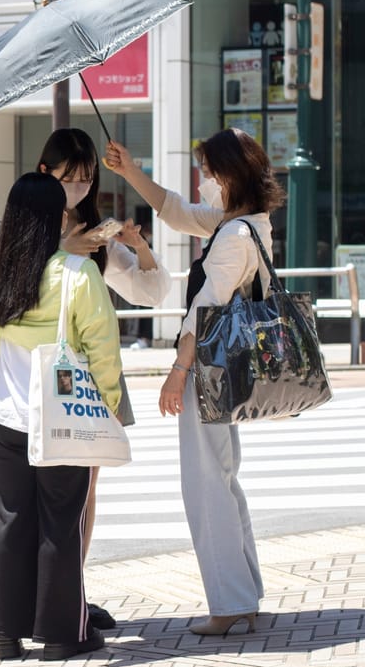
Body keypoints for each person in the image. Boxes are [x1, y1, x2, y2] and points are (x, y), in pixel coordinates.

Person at [106, 128, 283, 636]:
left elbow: (205, 309)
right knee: (223, 480)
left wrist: (176, 371)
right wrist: (131, 171)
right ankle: (243, 595)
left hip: (208, 367)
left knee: (206, 485)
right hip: (228, 369)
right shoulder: (245, 223)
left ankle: (229, 605)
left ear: (230, 174)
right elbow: (176, 210)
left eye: (209, 172)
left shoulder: (232, 235)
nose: (203, 180)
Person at [0, 172, 122, 661]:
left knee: (8, 520)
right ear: (56, 218)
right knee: (61, 520)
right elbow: (101, 345)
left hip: (4, 414)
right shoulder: (77, 273)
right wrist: (108, 402)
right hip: (61, 415)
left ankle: (5, 634)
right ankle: (60, 634)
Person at [36, 127, 173, 630]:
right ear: (44, 172)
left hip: (91, 374)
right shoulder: (31, 220)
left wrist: (140, 246)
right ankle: (47, 596)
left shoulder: (99, 233)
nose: (78, 188)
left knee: (85, 491)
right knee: (44, 492)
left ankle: (72, 590)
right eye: (69, 178)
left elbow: (151, 293)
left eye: (87, 178)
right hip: (39, 372)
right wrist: (66, 249)